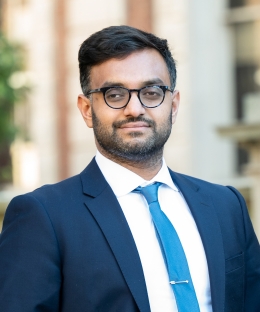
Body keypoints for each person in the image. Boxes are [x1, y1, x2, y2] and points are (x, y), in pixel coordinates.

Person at [0, 25, 259, 312]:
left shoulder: (226, 206)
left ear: (173, 105)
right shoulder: (42, 216)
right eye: (114, 94)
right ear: (87, 109)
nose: (135, 109)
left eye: (151, 92)